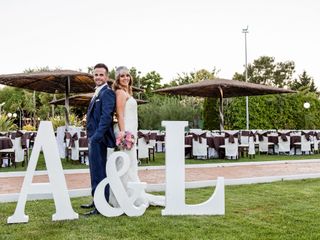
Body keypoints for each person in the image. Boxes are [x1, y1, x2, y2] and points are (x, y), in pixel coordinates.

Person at [109, 66, 165, 208]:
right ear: (117, 78)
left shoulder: (128, 92)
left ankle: (131, 195)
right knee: (125, 165)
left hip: (131, 131)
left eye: (127, 75)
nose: (126, 78)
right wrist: (123, 133)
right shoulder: (120, 93)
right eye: (122, 76)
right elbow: (120, 114)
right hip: (126, 133)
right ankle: (126, 198)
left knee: (130, 164)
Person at [81, 63, 116, 216]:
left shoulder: (107, 93)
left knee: (101, 172)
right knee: (94, 171)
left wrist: (96, 137)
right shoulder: (97, 93)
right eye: (96, 74)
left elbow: (106, 117)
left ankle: (102, 205)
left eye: (101, 74)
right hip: (93, 139)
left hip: (99, 139)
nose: (98, 77)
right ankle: (96, 200)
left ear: (107, 77)